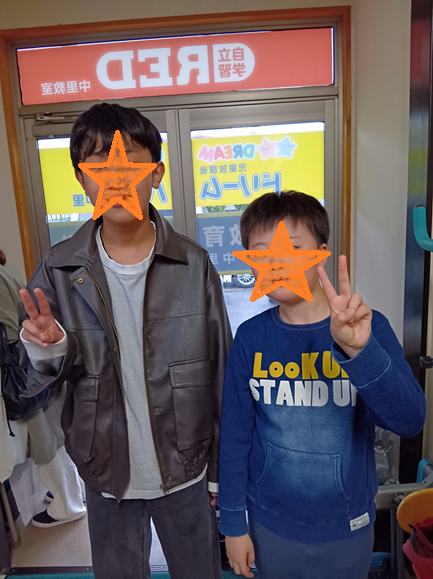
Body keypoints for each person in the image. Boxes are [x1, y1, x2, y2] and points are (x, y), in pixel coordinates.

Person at [18, 103, 232, 579]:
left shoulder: (194, 265)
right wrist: (49, 348)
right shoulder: (58, 268)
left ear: (156, 173)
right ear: (82, 179)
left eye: (130, 162)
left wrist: (221, 471)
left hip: (188, 465)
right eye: (99, 165)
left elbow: (221, 371)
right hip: (104, 468)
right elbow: (32, 381)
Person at [217, 191, 426, 579]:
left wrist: (359, 351)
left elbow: (410, 420)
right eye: (261, 253)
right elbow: (234, 437)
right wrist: (232, 523)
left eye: (292, 248)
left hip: (347, 527)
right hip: (270, 526)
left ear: (322, 254)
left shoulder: (368, 328)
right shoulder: (249, 338)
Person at [0, 250, 85, 528]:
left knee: (45, 442)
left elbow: (7, 332)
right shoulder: (5, 270)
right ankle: (72, 492)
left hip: (22, 369)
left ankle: (68, 505)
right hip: (34, 363)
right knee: (55, 436)